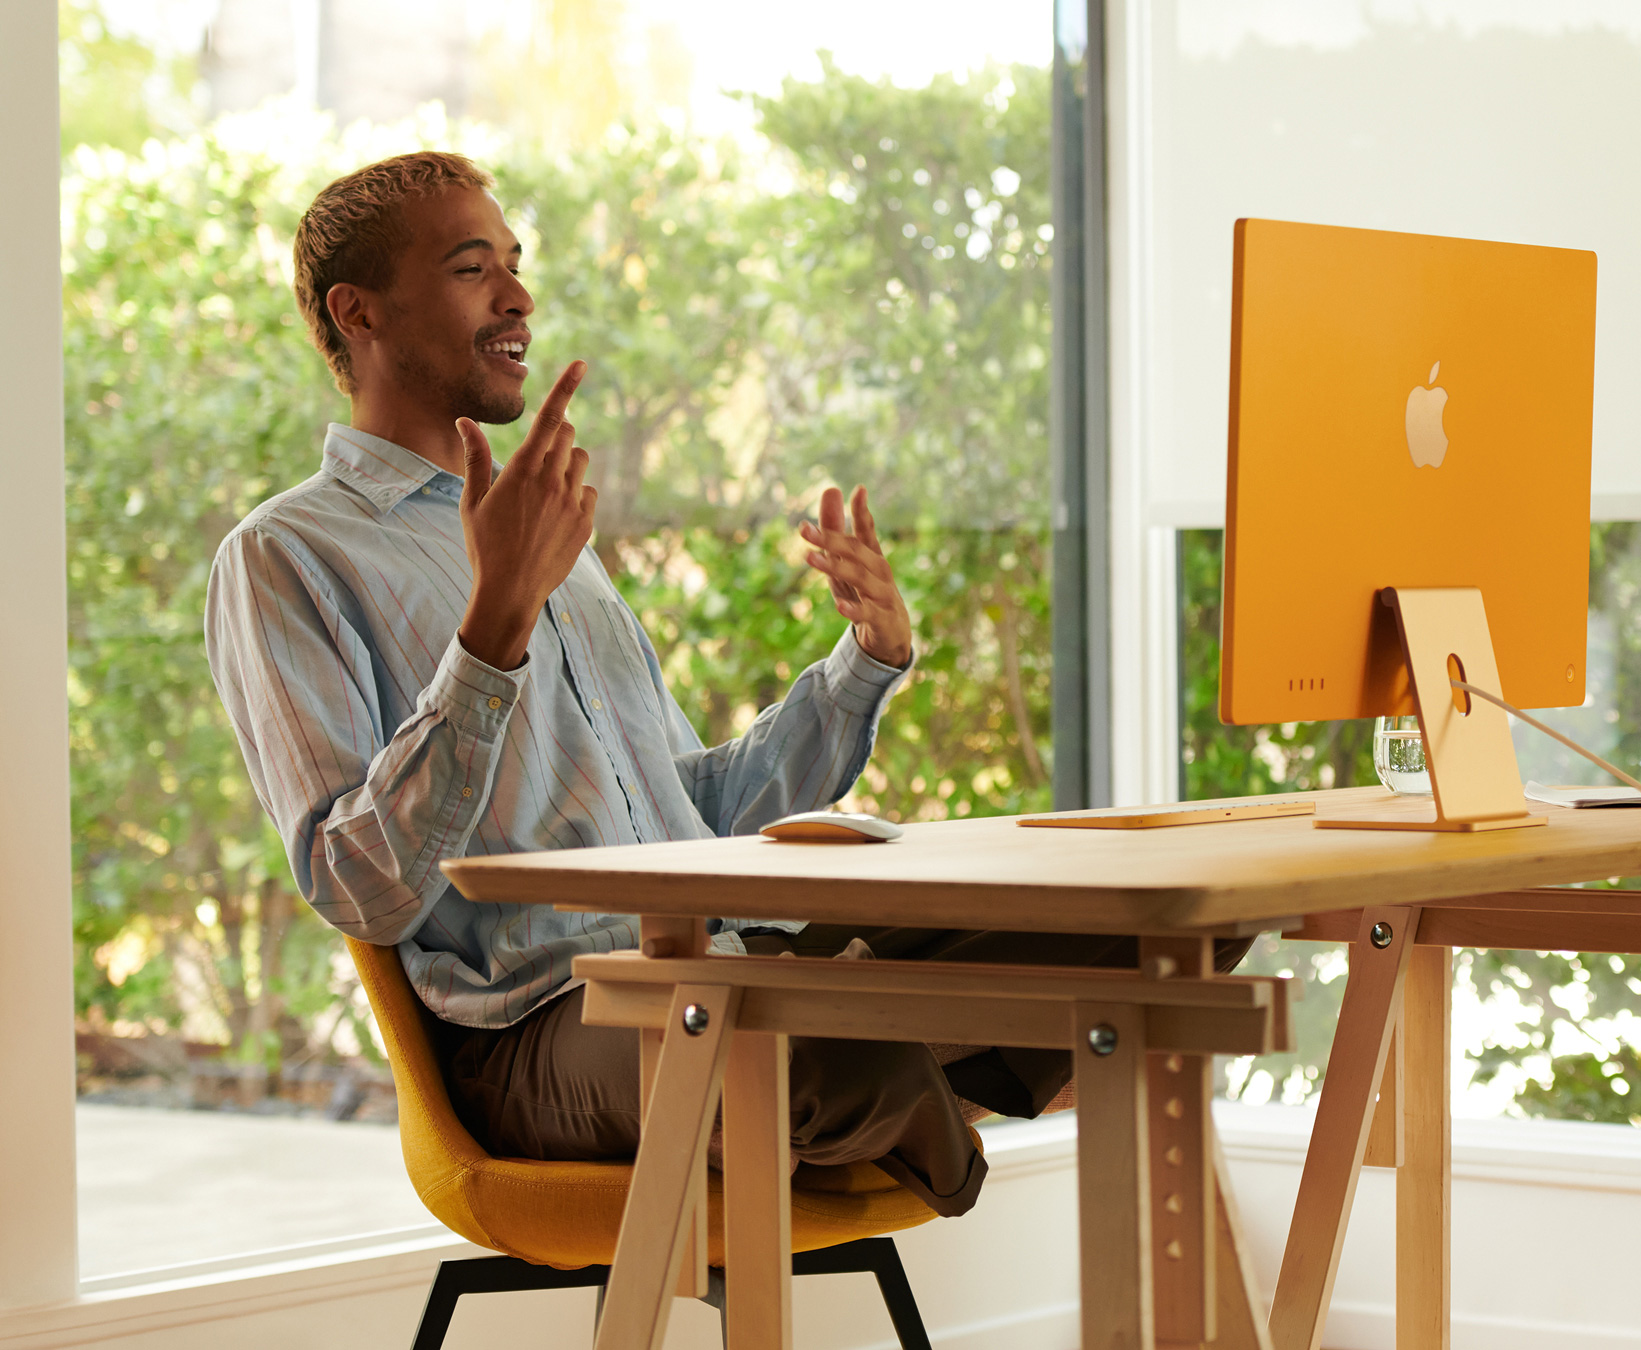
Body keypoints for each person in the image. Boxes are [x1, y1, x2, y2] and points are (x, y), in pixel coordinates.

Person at [203, 151, 1238, 1219]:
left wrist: (861, 668)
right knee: (802, 1050)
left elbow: (694, 818)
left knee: (1155, 931)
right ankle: (887, 1072)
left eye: (514, 264)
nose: (519, 297)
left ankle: (876, 1072)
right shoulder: (286, 556)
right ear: (358, 312)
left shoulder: (545, 528)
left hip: (721, 957)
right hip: (544, 1028)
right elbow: (353, 884)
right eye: (475, 269)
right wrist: (493, 632)